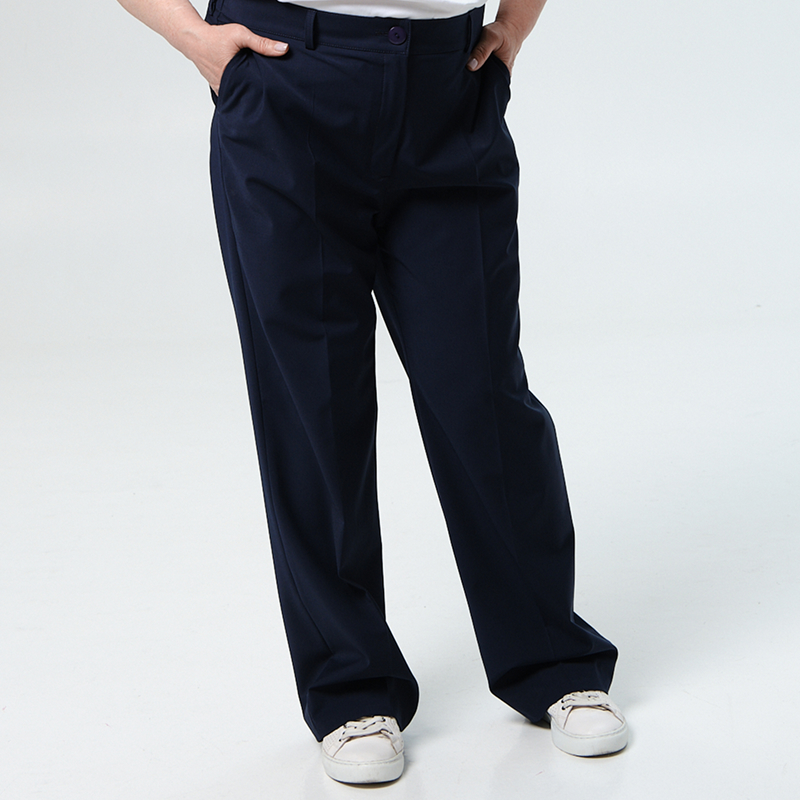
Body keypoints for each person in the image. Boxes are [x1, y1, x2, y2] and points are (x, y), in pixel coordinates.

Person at [117, 0, 628, 784]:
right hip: (287, 79)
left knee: (482, 394)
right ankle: (351, 686)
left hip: (449, 84)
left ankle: (552, 659)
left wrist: (516, 24)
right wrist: (194, 39)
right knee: (314, 407)